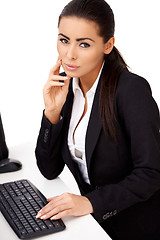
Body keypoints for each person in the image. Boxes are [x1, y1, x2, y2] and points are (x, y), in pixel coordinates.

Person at [35, 0, 160, 239]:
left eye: (84, 44)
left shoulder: (131, 90)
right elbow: (49, 170)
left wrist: (91, 203)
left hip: (138, 226)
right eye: (64, 40)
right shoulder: (67, 87)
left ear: (108, 45)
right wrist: (52, 112)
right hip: (93, 226)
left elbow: (151, 172)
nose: (69, 54)